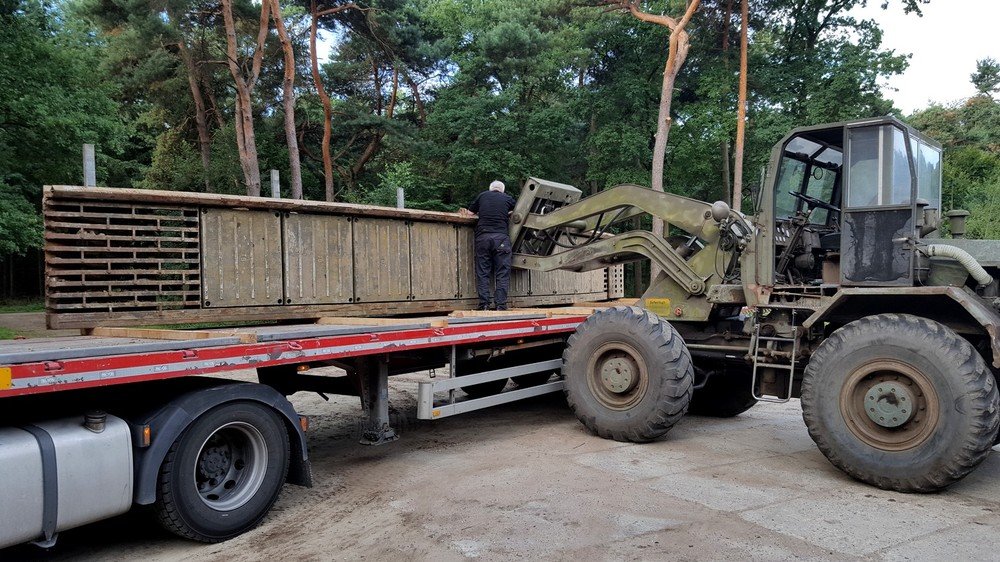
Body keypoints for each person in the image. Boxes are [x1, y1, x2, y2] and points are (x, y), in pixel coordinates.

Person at [463, 180, 516, 310]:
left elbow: (470, 213)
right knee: (502, 272)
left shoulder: (482, 196)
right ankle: (501, 305)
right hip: (501, 239)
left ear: (490, 188)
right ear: (502, 190)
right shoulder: (508, 198)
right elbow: (518, 212)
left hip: (483, 238)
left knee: (483, 272)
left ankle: (484, 304)